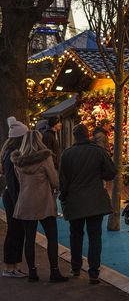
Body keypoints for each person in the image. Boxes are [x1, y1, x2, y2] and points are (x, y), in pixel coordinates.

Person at [59, 123, 116, 284]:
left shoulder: (67, 154)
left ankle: (76, 267)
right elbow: (111, 172)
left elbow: (62, 180)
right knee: (94, 236)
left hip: (75, 201)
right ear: (88, 135)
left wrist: (63, 197)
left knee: (75, 235)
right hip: (95, 200)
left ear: (75, 136)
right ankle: (93, 272)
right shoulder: (98, 152)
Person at [11, 130, 68, 283]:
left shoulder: (18, 161)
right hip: (44, 203)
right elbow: (55, 181)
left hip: (25, 202)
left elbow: (19, 181)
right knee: (52, 237)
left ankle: (32, 273)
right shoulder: (45, 158)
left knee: (29, 239)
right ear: (39, 141)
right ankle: (54, 272)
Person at [1, 117, 28, 278]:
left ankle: (14, 266)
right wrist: (19, 200)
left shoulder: (8, 152)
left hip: (12, 197)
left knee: (17, 231)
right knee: (14, 231)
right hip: (14, 198)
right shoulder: (12, 155)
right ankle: (10, 266)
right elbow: (12, 181)